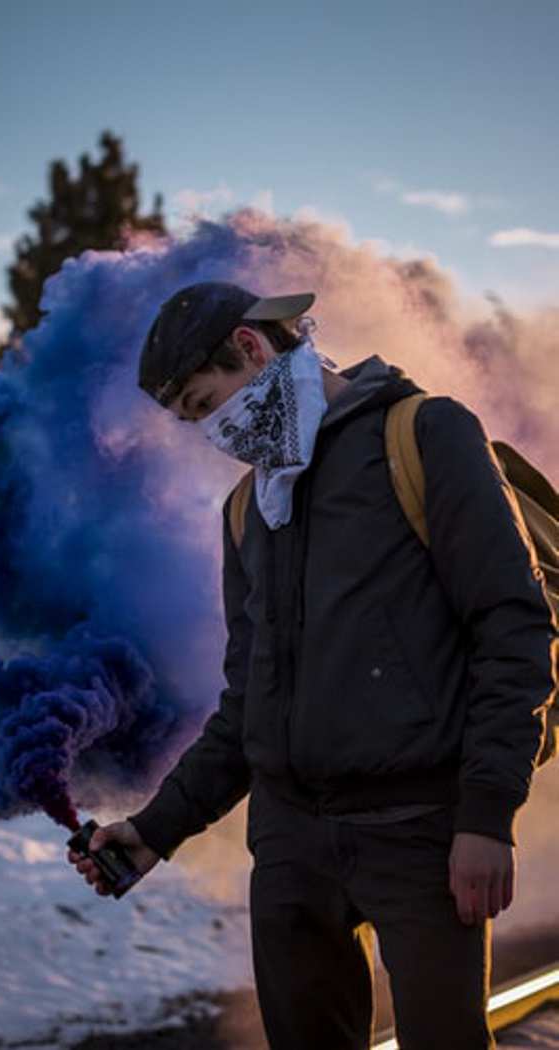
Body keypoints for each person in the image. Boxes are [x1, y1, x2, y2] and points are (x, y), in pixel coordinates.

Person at [69, 281, 558, 1050]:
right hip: (292, 844)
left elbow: (517, 630)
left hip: (421, 833)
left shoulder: (425, 435)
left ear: (254, 348)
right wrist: (154, 831)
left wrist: (487, 816)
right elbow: (248, 708)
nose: (213, 433)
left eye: (206, 403)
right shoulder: (246, 511)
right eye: (193, 421)